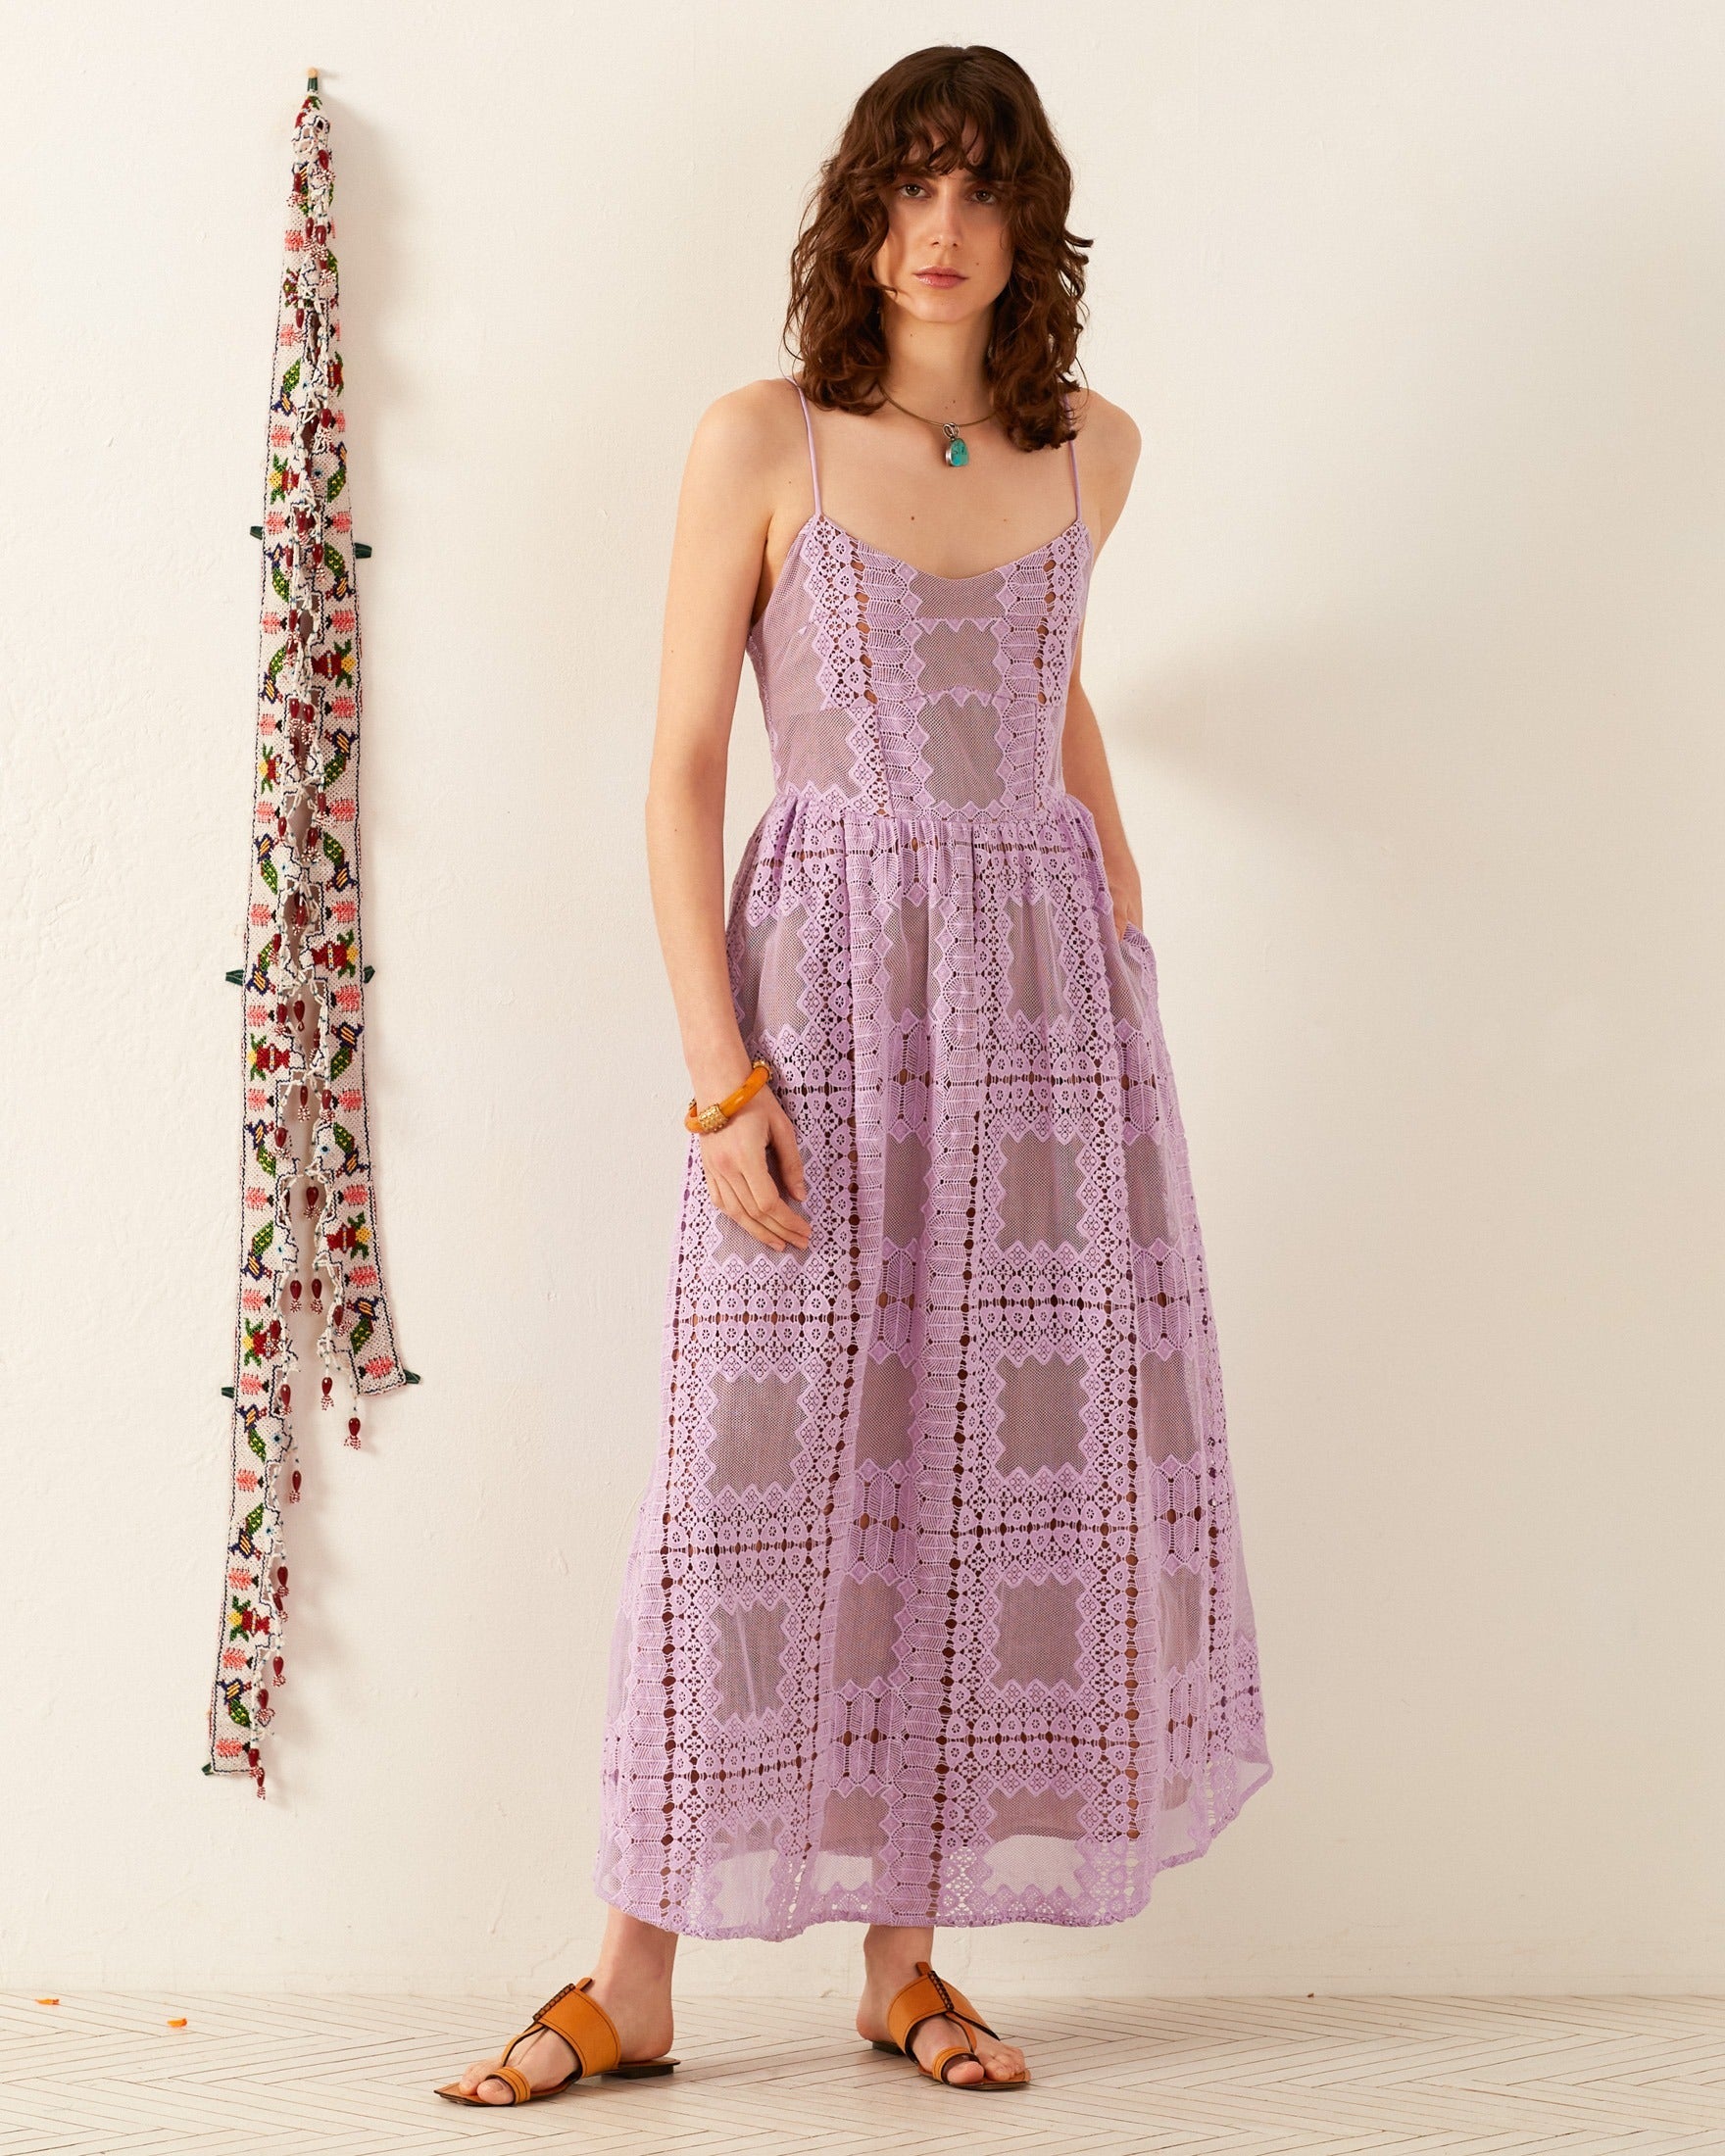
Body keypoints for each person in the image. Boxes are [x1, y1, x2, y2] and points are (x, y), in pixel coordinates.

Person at [440, 41, 1270, 2109]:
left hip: (1049, 1017)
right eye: (911, 178)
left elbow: (1053, 697)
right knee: (751, 1470)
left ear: (1029, 222)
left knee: (987, 1466)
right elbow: (681, 769)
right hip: (818, 988)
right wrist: (720, 1072)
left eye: (983, 184)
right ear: (859, 208)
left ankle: (911, 1960)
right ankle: (632, 1970)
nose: (944, 222)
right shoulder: (765, 442)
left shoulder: (1096, 451)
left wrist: (1126, 931)